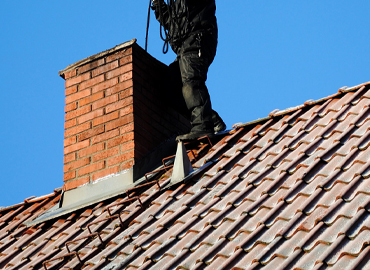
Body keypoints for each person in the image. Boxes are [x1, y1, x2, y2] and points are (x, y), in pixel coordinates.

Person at [152, 0, 226, 141]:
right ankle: (210, 118)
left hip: (198, 37)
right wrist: (158, 5)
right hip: (185, 46)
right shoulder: (177, 5)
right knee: (170, 87)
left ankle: (202, 126)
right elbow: (172, 24)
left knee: (191, 82)